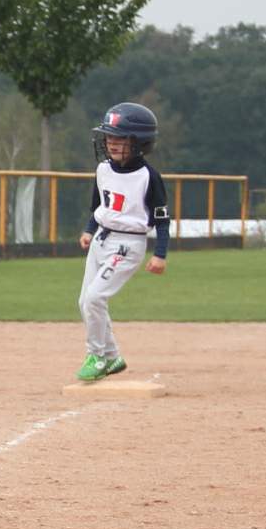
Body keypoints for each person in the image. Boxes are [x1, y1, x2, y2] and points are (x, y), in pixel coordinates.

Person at [76, 101, 168, 381]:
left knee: (95, 298)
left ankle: (96, 356)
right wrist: (89, 229)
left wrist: (160, 254)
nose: (112, 143)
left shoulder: (148, 177)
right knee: (85, 301)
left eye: (120, 138)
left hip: (128, 244)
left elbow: (162, 220)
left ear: (139, 142)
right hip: (101, 239)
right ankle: (113, 356)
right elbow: (100, 206)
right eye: (109, 137)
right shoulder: (103, 169)